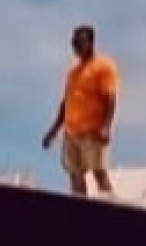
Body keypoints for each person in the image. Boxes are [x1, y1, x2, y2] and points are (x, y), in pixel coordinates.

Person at [43, 22, 119, 198]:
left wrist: (106, 126)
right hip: (71, 132)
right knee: (74, 174)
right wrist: (53, 131)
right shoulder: (73, 71)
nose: (75, 47)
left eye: (79, 43)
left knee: (99, 172)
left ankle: (110, 207)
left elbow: (110, 99)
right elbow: (66, 102)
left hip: (93, 131)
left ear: (90, 43)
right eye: (73, 43)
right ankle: (80, 209)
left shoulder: (104, 66)